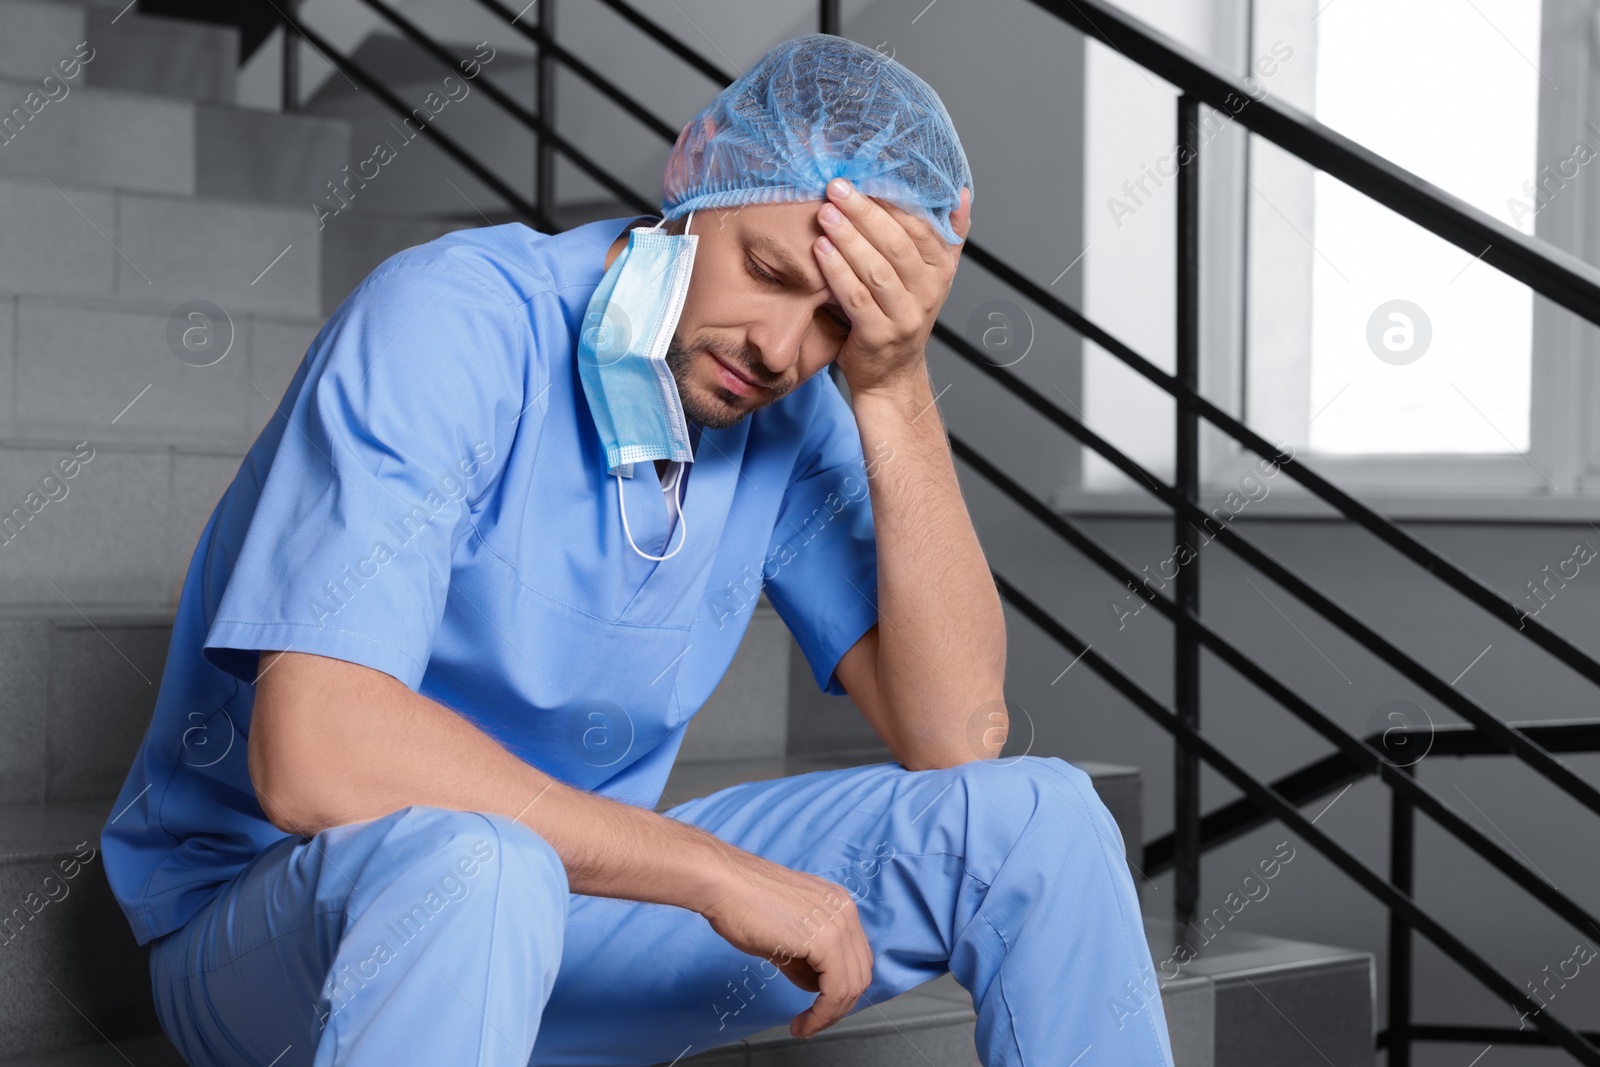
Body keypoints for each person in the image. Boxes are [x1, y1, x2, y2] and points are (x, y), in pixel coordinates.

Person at [101, 32, 1175, 1067]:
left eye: (836, 322)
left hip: (577, 905)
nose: (780, 347)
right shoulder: (455, 321)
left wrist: (890, 385)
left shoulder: (793, 409)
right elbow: (315, 753)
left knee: (1040, 816)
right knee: (482, 865)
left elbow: (955, 736)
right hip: (288, 932)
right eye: (765, 267)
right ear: (696, 167)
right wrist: (707, 867)